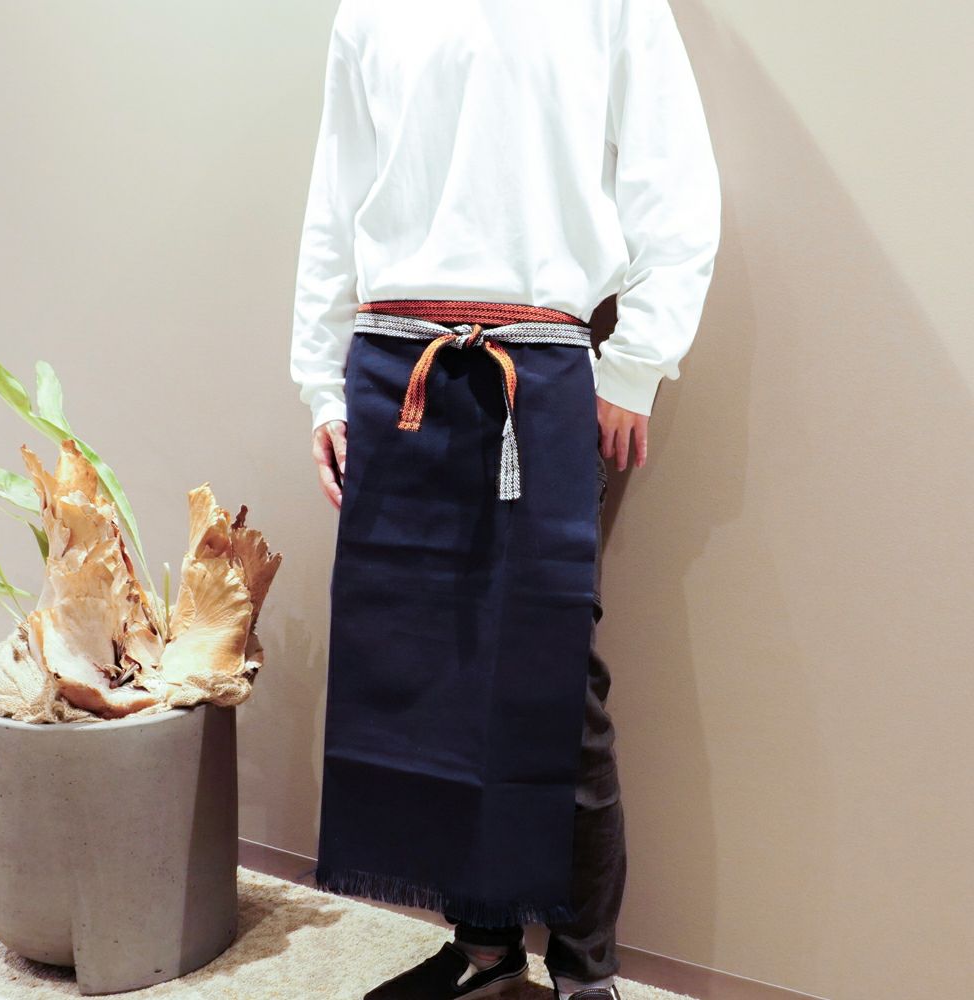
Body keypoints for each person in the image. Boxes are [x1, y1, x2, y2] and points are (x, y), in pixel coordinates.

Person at [289, 2, 721, 998]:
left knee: (553, 690)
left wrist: (639, 361)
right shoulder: (371, 10)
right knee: (424, 674)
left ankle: (585, 977)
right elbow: (335, 198)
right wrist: (321, 381)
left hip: (541, 364)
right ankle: (482, 950)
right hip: (393, 366)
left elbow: (675, 177)